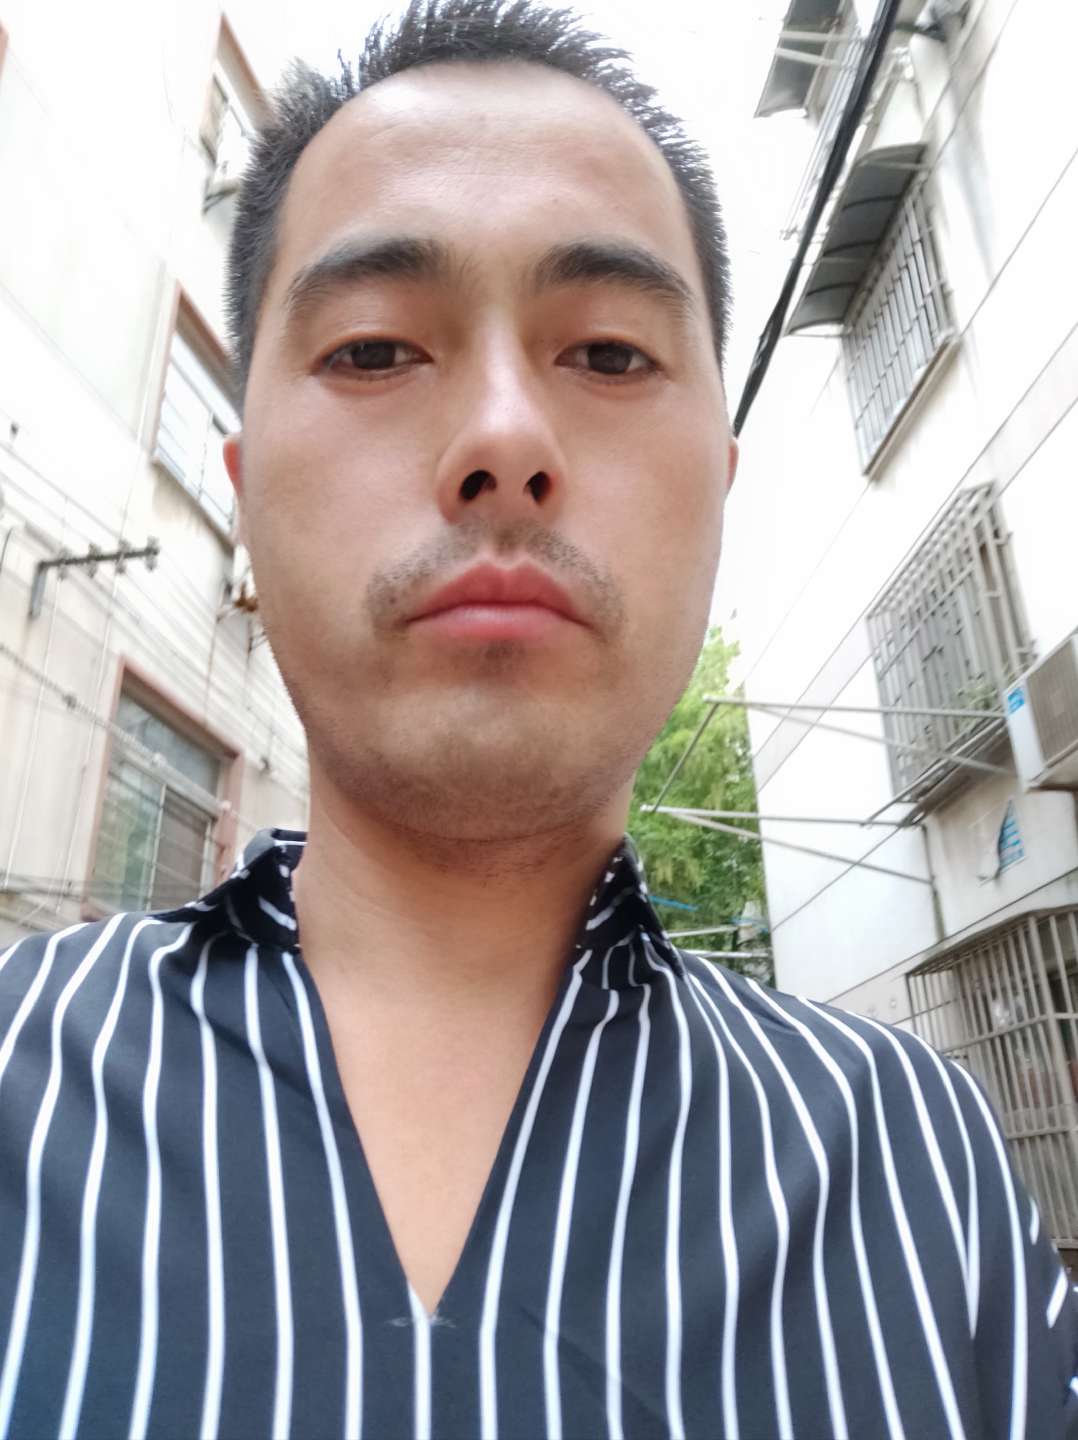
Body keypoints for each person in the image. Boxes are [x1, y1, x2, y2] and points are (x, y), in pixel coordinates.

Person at [1, 0, 1075, 1435]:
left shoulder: (923, 1175)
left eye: (611, 355)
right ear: (242, 488)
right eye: (374, 350)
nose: (503, 439)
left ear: (719, 490)